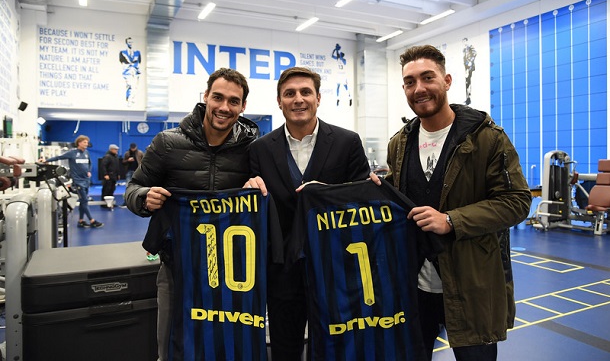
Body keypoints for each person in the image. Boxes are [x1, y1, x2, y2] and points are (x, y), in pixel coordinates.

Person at [384, 44, 531, 360]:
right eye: (410, 82)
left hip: (472, 285)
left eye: (428, 77)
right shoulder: (398, 144)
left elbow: (517, 201)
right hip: (414, 288)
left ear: (447, 80)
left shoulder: (487, 138)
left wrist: (451, 220)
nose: (419, 88)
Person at [124, 68, 261, 361]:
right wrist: (144, 197)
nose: (224, 107)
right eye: (218, 97)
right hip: (177, 267)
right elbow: (133, 187)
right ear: (206, 97)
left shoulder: (253, 149)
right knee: (172, 348)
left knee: (229, 348)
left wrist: (258, 185)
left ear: (243, 106)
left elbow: (269, 192)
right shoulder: (167, 142)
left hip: (233, 272)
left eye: (234, 101)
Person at [245, 66, 371, 360]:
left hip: (336, 268)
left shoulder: (347, 142)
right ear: (279, 101)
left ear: (318, 98)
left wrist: (329, 194)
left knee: (335, 349)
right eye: (289, 94)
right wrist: (249, 187)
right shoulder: (260, 149)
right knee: (285, 349)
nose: (298, 99)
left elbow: (364, 203)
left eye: (305, 92)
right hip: (282, 272)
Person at [44, 135, 104, 228]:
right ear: (79, 143)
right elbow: (59, 157)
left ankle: (81, 221)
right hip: (78, 181)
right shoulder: (72, 153)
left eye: (87, 142)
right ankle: (92, 220)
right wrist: (46, 160)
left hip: (86, 180)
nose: (86, 144)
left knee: (83, 202)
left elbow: (90, 163)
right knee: (84, 201)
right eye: (84, 142)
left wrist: (89, 171)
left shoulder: (86, 153)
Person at [119, 36, 141, 105]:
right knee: (130, 85)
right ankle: (129, 100)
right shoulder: (122, 52)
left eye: (131, 42)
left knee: (135, 86)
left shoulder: (137, 52)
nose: (130, 43)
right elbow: (122, 62)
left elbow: (139, 62)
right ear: (126, 43)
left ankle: (132, 98)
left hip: (136, 72)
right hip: (127, 72)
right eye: (129, 42)